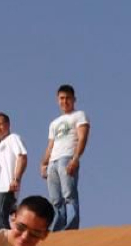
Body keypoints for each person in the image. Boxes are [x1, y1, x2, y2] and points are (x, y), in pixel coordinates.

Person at [40, 85, 89, 231]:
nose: (65, 101)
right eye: (62, 98)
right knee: (55, 199)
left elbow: (82, 138)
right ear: (57, 100)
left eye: (68, 98)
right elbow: (50, 145)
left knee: (69, 194)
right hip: (53, 161)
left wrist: (75, 158)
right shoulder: (54, 123)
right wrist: (44, 163)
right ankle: (58, 227)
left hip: (67, 157)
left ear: (74, 99)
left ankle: (71, 226)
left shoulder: (79, 115)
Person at [0, 112, 28, 230]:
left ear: (7, 124)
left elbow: (22, 157)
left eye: (0, 124)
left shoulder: (14, 138)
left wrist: (16, 179)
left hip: (6, 187)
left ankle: (9, 245)